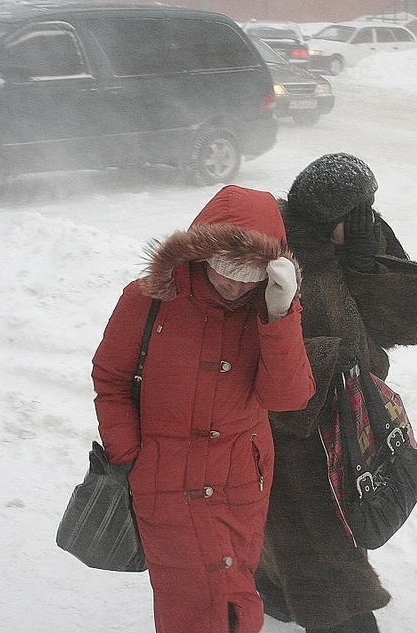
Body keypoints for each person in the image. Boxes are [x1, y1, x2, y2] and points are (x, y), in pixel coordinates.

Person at [91, 185, 316, 633]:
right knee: (191, 605)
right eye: (224, 269)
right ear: (201, 253)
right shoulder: (148, 299)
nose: (234, 285)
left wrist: (279, 314)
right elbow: (110, 380)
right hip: (164, 479)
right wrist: (131, 456)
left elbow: (289, 398)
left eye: (247, 275)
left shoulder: (270, 310)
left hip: (240, 481)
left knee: (235, 592)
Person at [255, 153, 417, 633]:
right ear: (326, 215)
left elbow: (406, 324)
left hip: (348, 414)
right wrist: (326, 359)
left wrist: (365, 265)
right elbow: (258, 350)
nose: (371, 217)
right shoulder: (276, 254)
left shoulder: (359, 238)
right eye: (359, 209)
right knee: (318, 542)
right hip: (295, 433)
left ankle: (277, 595)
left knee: (324, 527)